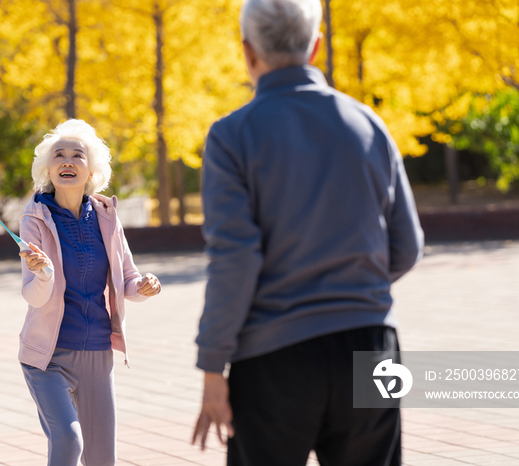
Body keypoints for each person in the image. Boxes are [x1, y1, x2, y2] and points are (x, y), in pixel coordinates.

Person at [191, 0, 424, 464]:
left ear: (247, 52)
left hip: (275, 358)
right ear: (315, 46)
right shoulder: (369, 124)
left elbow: (235, 260)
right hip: (371, 345)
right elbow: (407, 246)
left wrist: (212, 364)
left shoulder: (232, 137)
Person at [17, 119, 161, 466]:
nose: (67, 161)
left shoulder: (107, 216)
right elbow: (34, 296)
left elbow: (127, 279)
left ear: (91, 169)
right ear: (47, 169)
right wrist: (43, 275)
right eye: (59, 155)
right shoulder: (35, 218)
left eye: (77, 155)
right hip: (47, 356)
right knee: (68, 441)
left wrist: (144, 287)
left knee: (101, 460)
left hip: (98, 354)